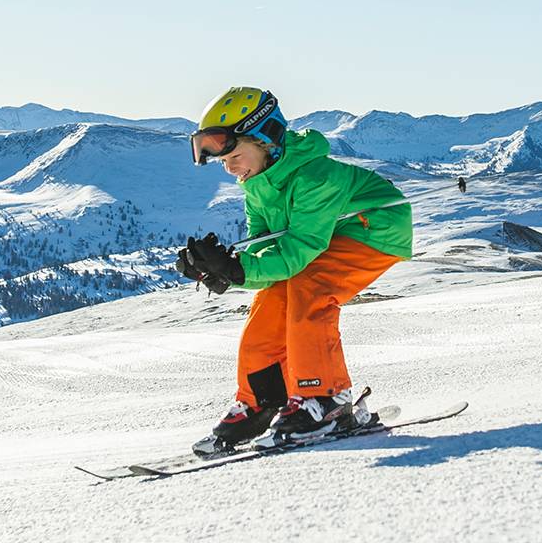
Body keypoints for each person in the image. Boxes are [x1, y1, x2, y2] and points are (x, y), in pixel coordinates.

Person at [176, 86, 413, 456]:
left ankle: (326, 400)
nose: (230, 168)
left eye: (234, 156)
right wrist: (228, 271)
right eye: (223, 161)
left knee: (310, 288)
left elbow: (299, 249)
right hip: (327, 237)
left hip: (374, 229)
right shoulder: (257, 184)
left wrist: (238, 269)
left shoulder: (315, 177)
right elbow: (267, 252)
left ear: (266, 139)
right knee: (270, 300)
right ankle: (262, 401)